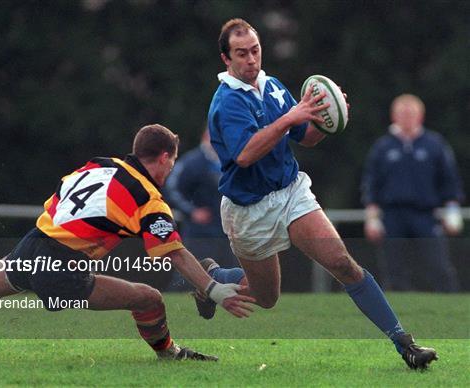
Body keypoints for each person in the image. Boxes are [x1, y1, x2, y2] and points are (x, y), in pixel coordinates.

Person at [194, 18, 438, 370]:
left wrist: (326, 120)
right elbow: (245, 154)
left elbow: (304, 135)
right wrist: (292, 116)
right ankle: (212, 278)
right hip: (248, 210)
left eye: (256, 51)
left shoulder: (273, 86)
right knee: (266, 297)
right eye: (241, 53)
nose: (251, 59)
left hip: (291, 193)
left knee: (343, 263)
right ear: (225, 59)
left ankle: (405, 344)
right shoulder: (227, 102)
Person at [0, 124, 255, 361]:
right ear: (165, 157)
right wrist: (214, 289)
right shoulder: (148, 197)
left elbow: (61, 191)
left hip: (33, 244)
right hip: (61, 267)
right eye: (172, 162)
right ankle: (171, 355)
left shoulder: (100, 164)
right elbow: (174, 252)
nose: (171, 169)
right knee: (149, 299)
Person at [361, 94, 464, 292]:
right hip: (393, 216)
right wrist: (372, 218)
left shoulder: (434, 144)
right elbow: (371, 184)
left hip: (425, 215)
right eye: (403, 113)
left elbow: (449, 180)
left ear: (420, 116)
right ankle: (397, 318)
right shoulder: (383, 147)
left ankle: (452, 310)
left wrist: (452, 211)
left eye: (411, 114)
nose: (407, 118)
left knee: (439, 267)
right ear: (394, 116)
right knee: (394, 270)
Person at [164, 128, 238, 290]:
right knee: (188, 276)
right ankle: (173, 303)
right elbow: (172, 189)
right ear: (206, 136)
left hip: (227, 232)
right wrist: (192, 211)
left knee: (229, 274)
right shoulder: (192, 162)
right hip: (200, 233)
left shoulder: (231, 160)